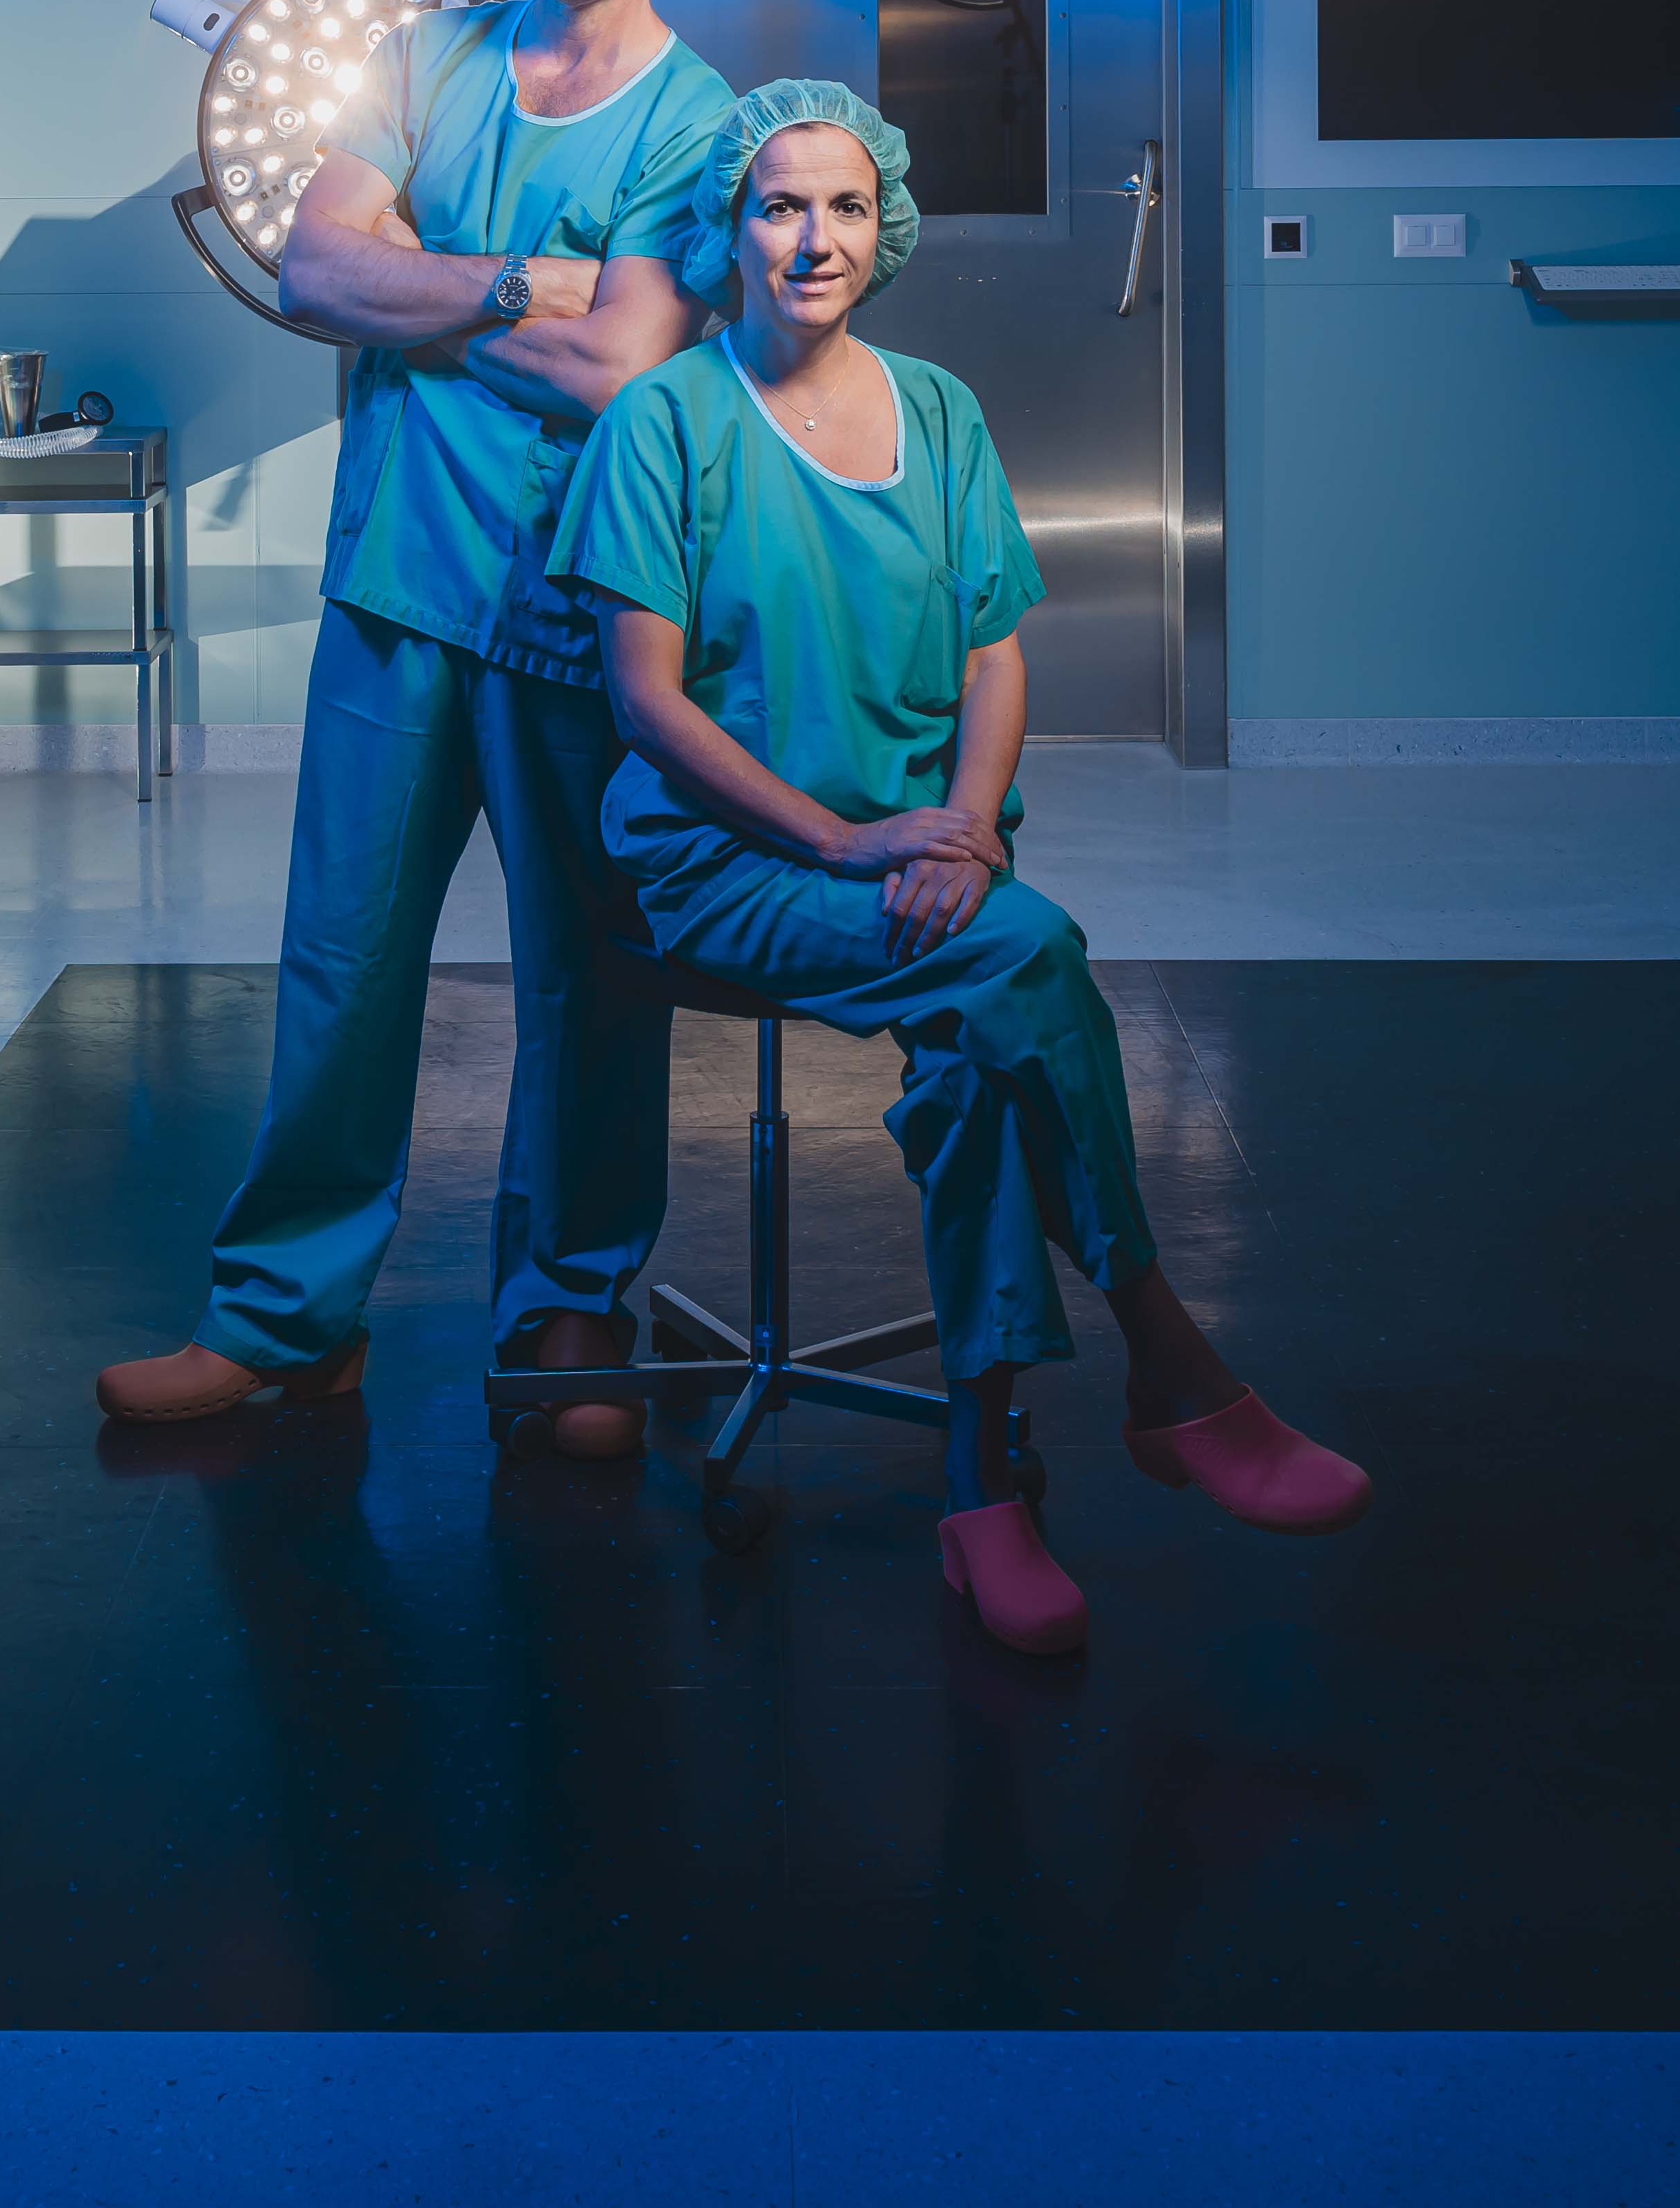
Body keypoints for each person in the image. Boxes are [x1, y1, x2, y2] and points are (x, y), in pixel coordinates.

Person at [547, 83, 1365, 1657]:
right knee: (1024, 960)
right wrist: (845, 836)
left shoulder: (939, 411)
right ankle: (1164, 1358)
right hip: (733, 862)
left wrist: (971, 825)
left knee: (987, 1049)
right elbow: (643, 700)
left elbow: (995, 654)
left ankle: (988, 1485)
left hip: (933, 861)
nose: (814, 236)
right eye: (780, 204)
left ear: (886, 228)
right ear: (729, 230)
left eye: (845, 206)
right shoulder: (666, 420)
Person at [97, 0, 738, 1448]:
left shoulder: (696, 118)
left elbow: (624, 371)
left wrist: (427, 298)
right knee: (343, 957)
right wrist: (529, 280)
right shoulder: (425, 55)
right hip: (395, 586)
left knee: (589, 974)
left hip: (576, 603)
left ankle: (570, 1310)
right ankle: (284, 1316)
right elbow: (313, 269)